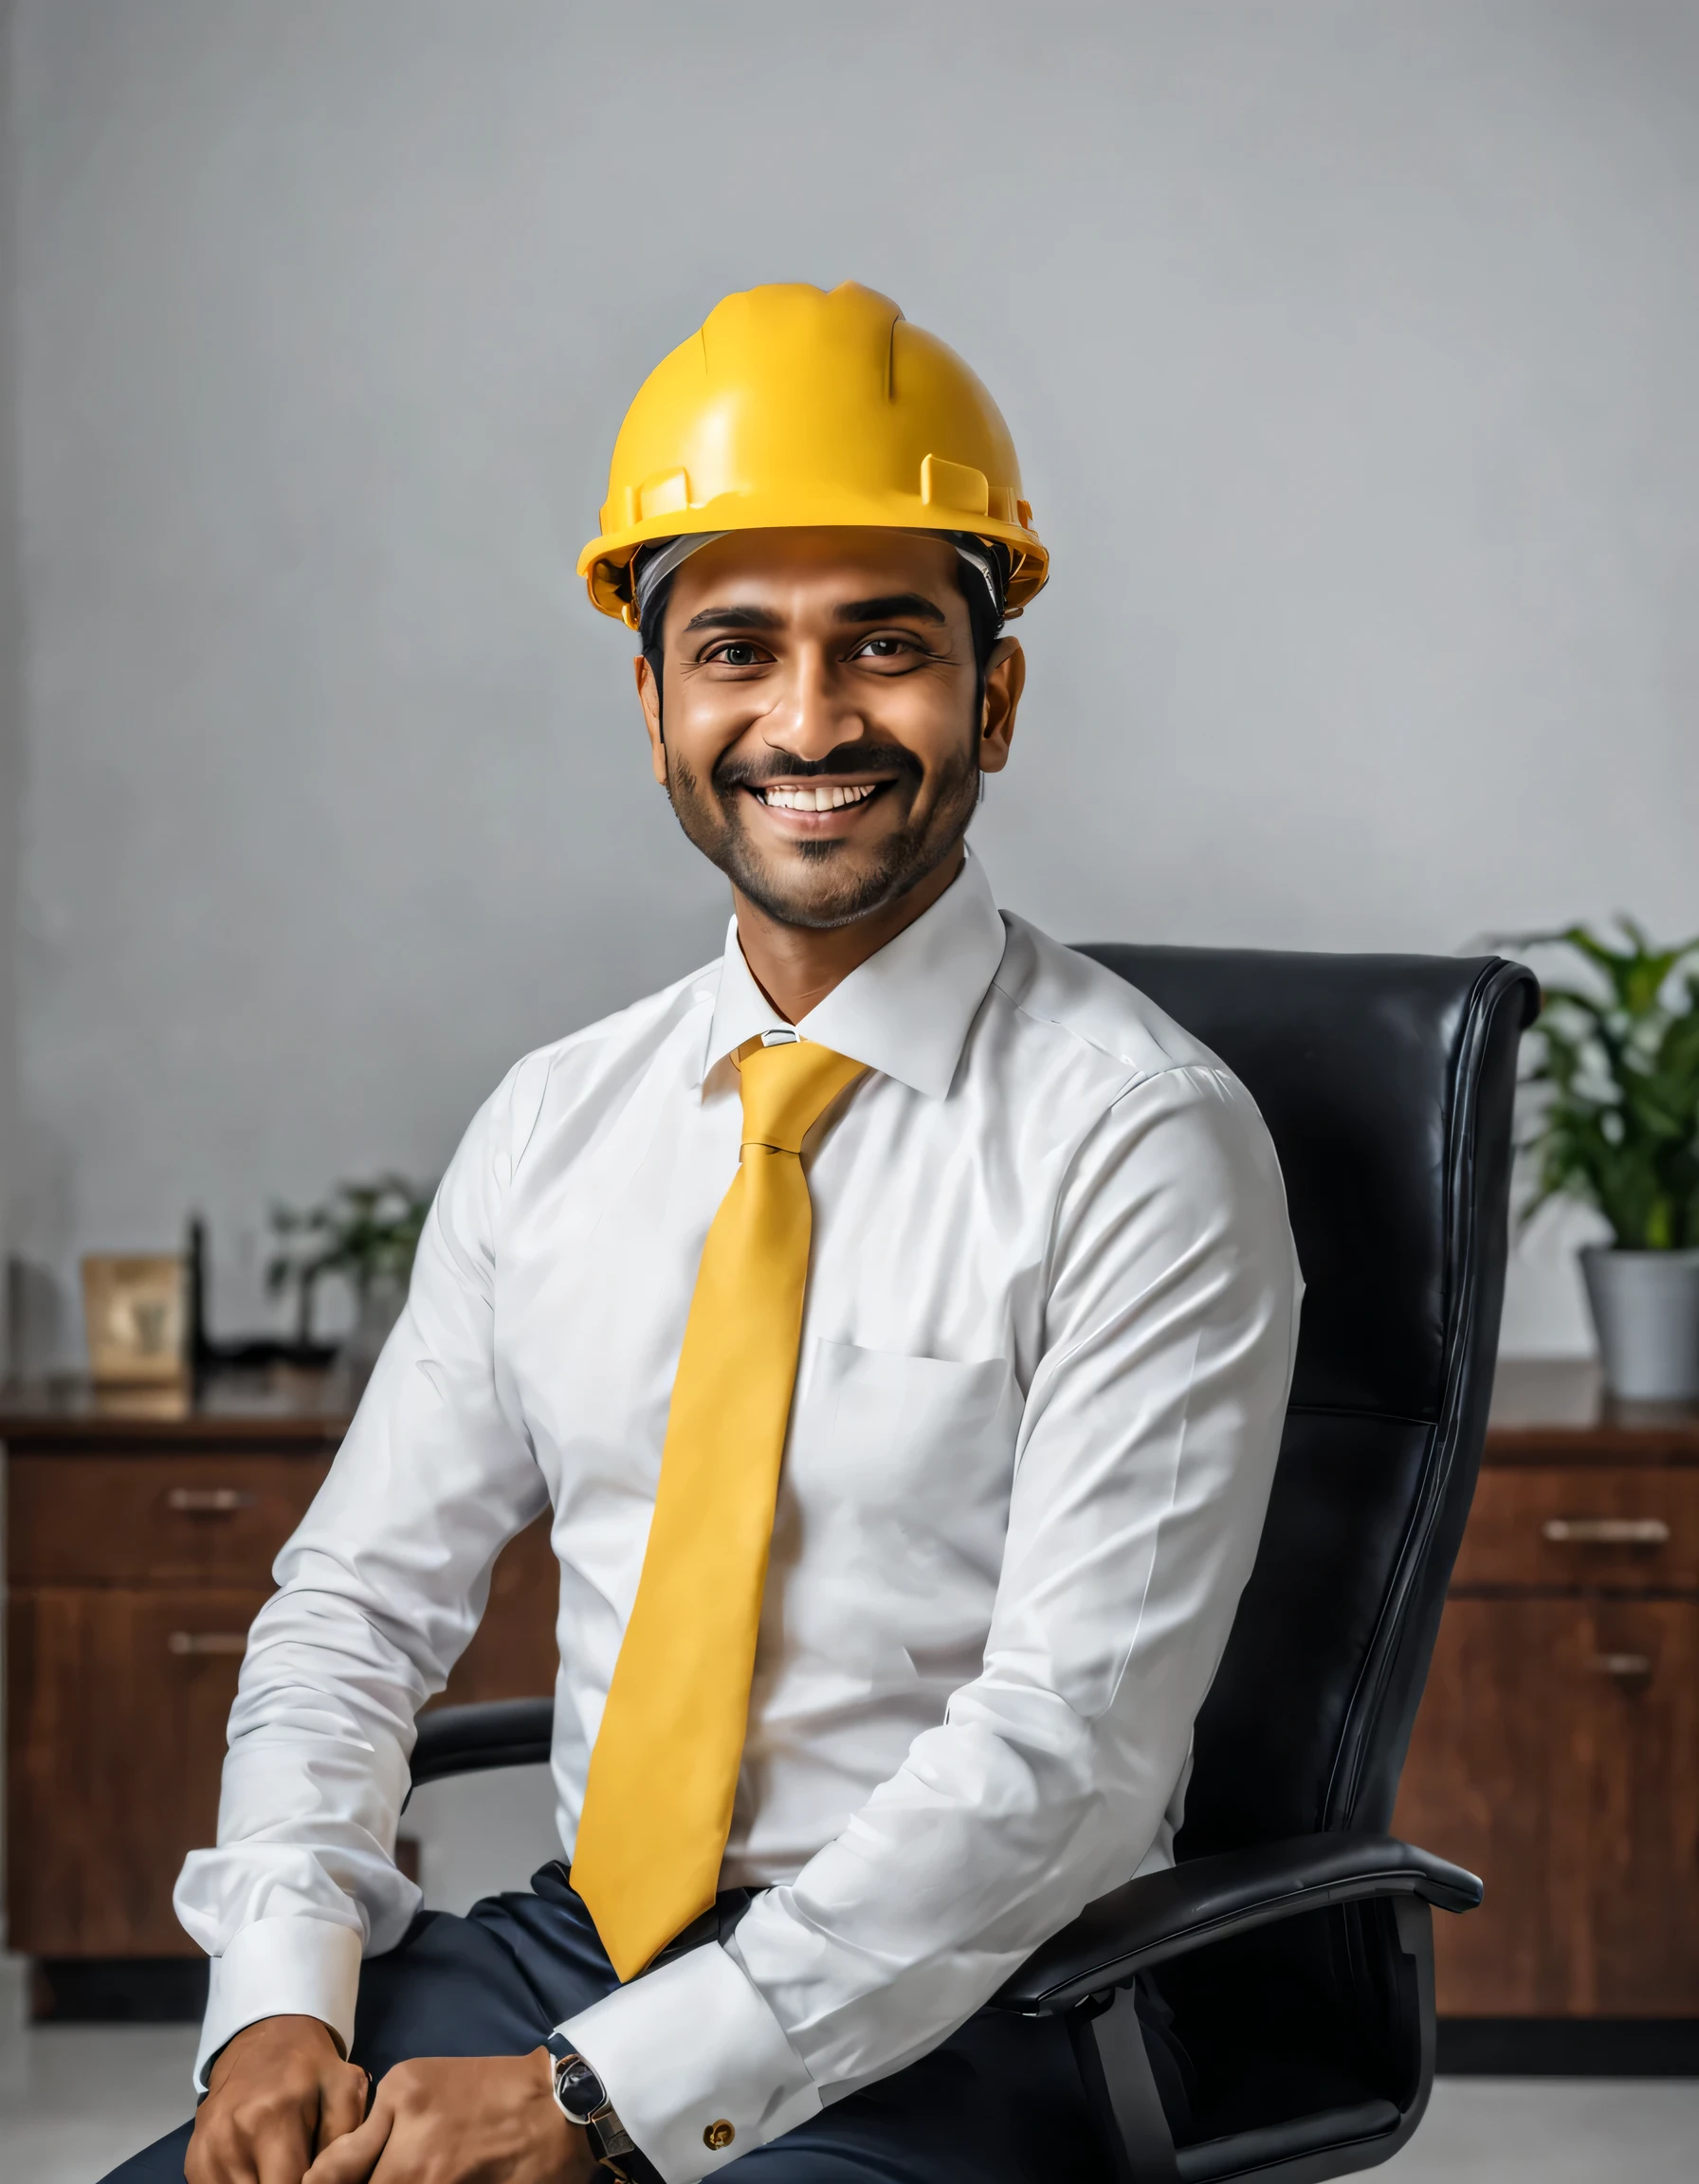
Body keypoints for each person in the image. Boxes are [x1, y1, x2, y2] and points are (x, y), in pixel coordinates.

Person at [107, 281, 1300, 2184]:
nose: (806, 720)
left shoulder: (1139, 1142)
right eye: (735, 649)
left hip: (971, 2006)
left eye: (885, 646)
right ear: (653, 701)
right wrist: (274, 1996)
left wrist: (593, 2099)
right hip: (578, 1944)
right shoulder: (558, 1123)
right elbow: (355, 1607)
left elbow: (1061, 1759)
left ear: (991, 692)